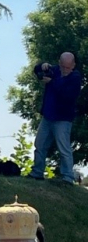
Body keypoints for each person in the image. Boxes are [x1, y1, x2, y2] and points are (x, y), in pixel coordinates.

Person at [28, 52, 81, 184]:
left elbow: (68, 94)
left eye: (68, 67)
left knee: (64, 149)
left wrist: (51, 82)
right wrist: (42, 66)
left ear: (73, 65)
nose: (64, 70)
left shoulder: (75, 77)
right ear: (59, 63)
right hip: (48, 116)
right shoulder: (55, 70)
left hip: (63, 119)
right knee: (40, 145)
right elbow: (37, 71)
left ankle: (68, 177)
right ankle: (37, 172)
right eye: (63, 66)